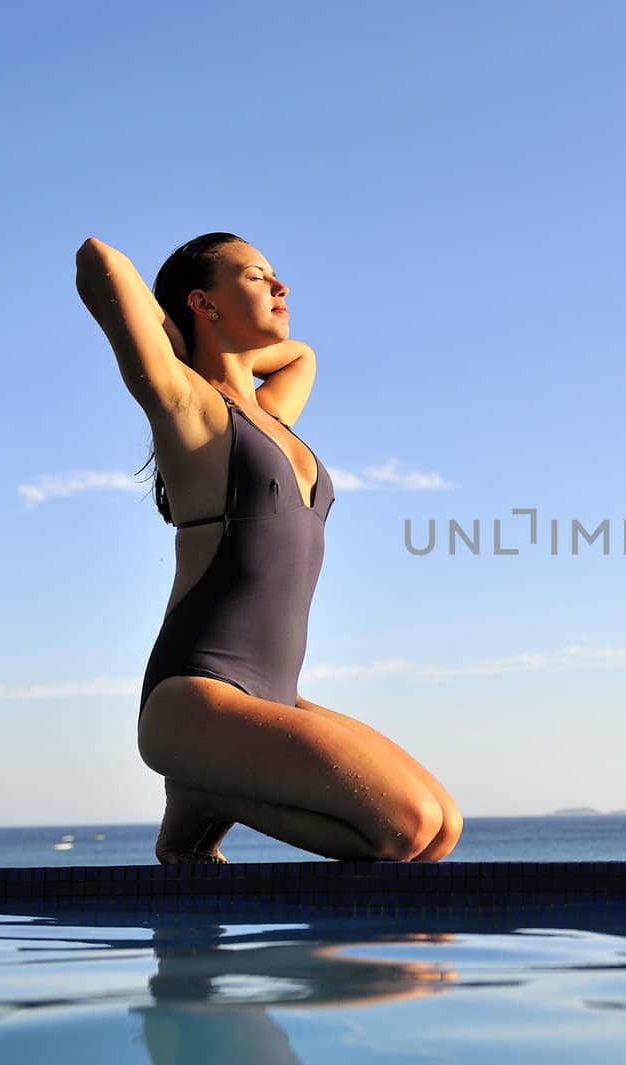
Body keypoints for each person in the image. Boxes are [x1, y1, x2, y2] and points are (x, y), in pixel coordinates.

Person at [75, 233, 461, 864]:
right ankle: (207, 789)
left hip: (272, 696)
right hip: (198, 696)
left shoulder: (271, 416)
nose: (281, 288)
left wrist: (228, 338)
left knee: (442, 828)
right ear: (203, 303)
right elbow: (98, 260)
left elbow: (301, 355)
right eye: (257, 277)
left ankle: (208, 795)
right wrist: (178, 342)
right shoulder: (189, 407)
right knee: (404, 828)